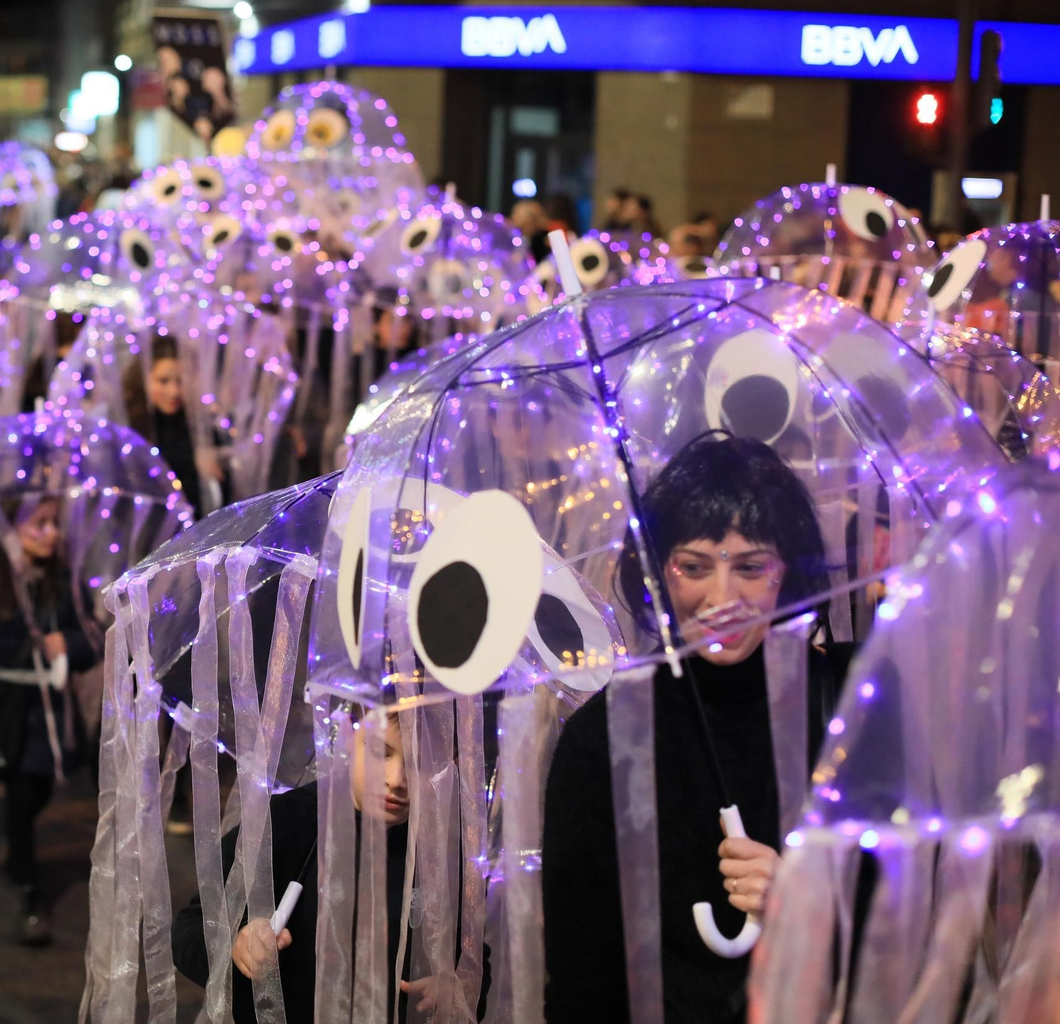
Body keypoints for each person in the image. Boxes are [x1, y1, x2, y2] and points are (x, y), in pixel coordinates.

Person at [542, 433, 852, 1024]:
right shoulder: (606, 738)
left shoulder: (848, 704)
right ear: (661, 573)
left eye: (752, 567)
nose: (722, 598)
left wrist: (808, 901)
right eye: (694, 567)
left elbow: (917, 922)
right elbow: (584, 980)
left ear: (786, 571)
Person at [171, 712, 490, 1023]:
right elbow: (190, 928)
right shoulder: (286, 822)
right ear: (348, 737)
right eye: (381, 751)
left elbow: (472, 955)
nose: (397, 780)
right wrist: (237, 948)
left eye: (423, 762)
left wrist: (457, 987)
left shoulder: (444, 850)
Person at [0, 497, 97, 945]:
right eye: (38, 524)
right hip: (11, 714)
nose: (50, 533)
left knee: (34, 794)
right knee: (21, 795)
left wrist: (66, 643)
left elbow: (91, 640)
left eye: (54, 524)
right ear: (10, 530)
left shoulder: (63, 584)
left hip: (53, 716)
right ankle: (31, 890)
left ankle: (21, 862)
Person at [124, 335, 226, 518]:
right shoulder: (129, 426)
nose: (174, 391)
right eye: (163, 381)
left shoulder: (201, 426)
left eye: (181, 381)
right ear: (143, 379)